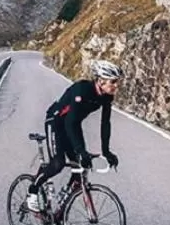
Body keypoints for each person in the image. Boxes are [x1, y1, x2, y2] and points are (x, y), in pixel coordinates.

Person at [26, 60, 123, 212]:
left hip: (73, 125)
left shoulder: (106, 97)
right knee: (58, 163)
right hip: (55, 121)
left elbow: (105, 124)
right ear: (101, 80)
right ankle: (33, 190)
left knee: (80, 168)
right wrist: (81, 150)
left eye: (118, 82)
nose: (117, 85)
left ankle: (60, 213)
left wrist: (106, 151)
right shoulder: (82, 90)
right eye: (114, 82)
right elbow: (70, 122)